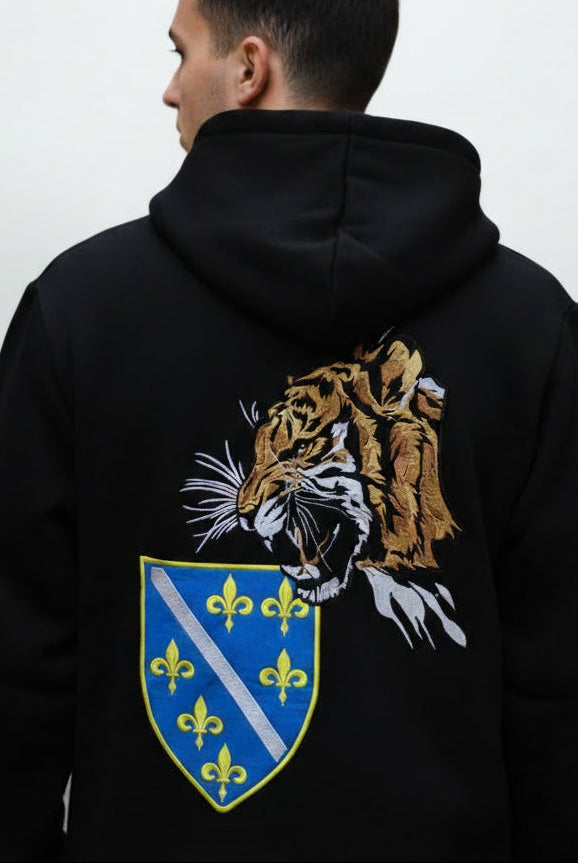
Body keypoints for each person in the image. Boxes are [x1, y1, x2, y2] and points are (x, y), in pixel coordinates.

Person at [1, 0, 576, 860]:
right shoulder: (531, 328)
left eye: (181, 52)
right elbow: (558, 701)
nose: (170, 89)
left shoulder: (80, 311)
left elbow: (18, 678)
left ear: (248, 67)